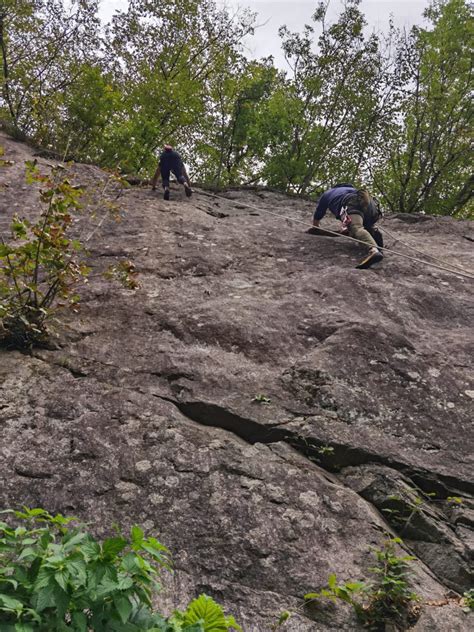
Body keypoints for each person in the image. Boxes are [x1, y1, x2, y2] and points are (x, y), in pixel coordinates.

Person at [311, 183, 384, 269]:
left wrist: (315, 227)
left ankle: (373, 250)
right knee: (365, 227)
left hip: (352, 202)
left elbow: (319, 212)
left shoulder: (329, 193)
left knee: (356, 228)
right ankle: (375, 238)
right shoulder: (352, 189)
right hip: (371, 206)